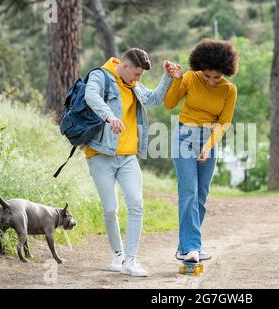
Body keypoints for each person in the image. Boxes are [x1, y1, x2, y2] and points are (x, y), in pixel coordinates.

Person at [84, 48, 177, 276]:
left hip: (127, 157)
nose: (137, 79)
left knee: (136, 204)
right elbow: (91, 96)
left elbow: (154, 98)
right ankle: (117, 254)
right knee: (110, 209)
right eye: (136, 74)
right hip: (100, 155)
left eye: (140, 76)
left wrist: (167, 77)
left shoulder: (133, 84)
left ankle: (130, 260)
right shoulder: (100, 75)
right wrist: (110, 116)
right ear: (124, 66)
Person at [164, 39, 239, 262]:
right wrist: (176, 81)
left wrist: (208, 147)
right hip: (184, 136)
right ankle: (193, 247)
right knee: (188, 191)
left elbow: (224, 123)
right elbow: (169, 104)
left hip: (209, 140)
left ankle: (185, 246)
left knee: (201, 196)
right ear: (200, 68)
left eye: (217, 77)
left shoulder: (229, 90)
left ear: (226, 71)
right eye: (207, 75)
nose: (211, 81)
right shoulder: (189, 77)